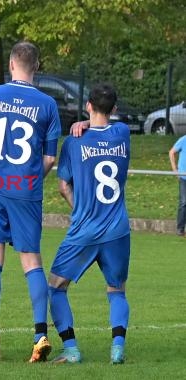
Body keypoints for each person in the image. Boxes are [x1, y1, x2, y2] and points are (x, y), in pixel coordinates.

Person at [0, 41, 61, 362]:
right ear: (36, 67)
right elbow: (50, 157)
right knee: (31, 261)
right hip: (26, 189)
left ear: (12, 64)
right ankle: (40, 334)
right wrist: (29, 178)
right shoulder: (48, 104)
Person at [48, 83, 131, 364]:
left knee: (56, 287)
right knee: (116, 290)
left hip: (84, 228)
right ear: (115, 110)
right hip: (118, 229)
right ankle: (117, 348)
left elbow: (63, 186)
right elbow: (106, 125)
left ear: (88, 106)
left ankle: (71, 350)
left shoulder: (73, 142)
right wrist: (89, 120)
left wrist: (79, 208)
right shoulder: (123, 134)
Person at [169, 135, 186, 236]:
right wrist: (175, 170)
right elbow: (172, 152)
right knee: (184, 202)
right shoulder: (184, 139)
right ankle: (180, 229)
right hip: (184, 177)